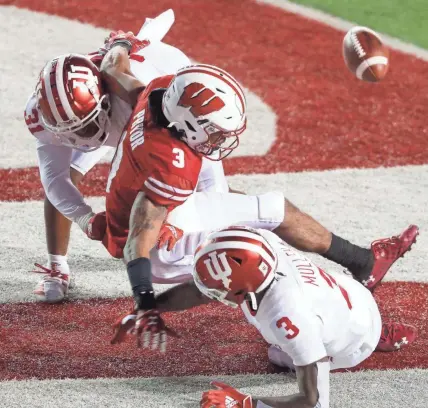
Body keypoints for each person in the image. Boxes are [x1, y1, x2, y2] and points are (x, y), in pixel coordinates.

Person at [97, 34, 419, 349]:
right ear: (190, 125)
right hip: (163, 246)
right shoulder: (171, 168)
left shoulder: (159, 92)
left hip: (153, 194)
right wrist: (145, 300)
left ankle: (362, 262)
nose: (221, 139)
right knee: (262, 248)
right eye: (214, 131)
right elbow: (138, 242)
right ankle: (362, 322)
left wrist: (122, 43)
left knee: (245, 211)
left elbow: (113, 69)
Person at [24, 14, 199, 302]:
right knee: (66, 173)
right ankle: (57, 267)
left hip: (165, 97)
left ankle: (213, 244)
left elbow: (180, 165)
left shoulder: (137, 100)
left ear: (104, 97)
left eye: (86, 127)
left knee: (187, 181)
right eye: (70, 131)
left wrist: (175, 219)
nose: (80, 138)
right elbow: (54, 178)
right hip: (111, 115)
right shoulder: (46, 115)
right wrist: (85, 219)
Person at [189, 226, 417, 408]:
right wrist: (154, 304)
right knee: (285, 339)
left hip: (355, 339)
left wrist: (246, 404)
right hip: (348, 294)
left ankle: (375, 338)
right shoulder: (261, 241)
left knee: (277, 354)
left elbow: (314, 402)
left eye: (217, 288)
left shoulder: (288, 316)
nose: (213, 293)